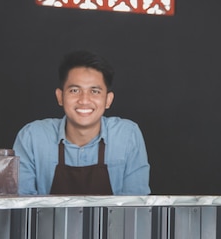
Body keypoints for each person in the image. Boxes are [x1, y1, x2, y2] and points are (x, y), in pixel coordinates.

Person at [13, 50, 150, 195]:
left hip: (113, 219)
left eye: (95, 91)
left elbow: (136, 206)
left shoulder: (127, 135)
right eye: (74, 90)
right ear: (60, 97)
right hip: (45, 219)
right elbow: (21, 208)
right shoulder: (32, 137)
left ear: (108, 100)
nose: (84, 100)